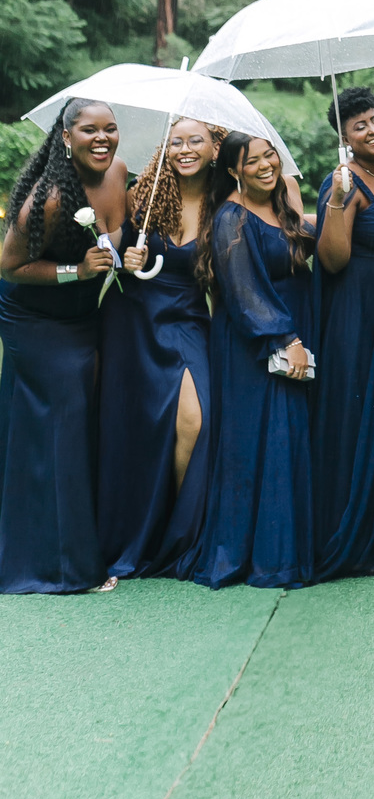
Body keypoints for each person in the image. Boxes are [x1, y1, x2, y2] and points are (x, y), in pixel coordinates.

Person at [0, 100, 127, 593]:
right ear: (66, 137)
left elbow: (117, 234)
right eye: (90, 130)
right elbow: (10, 266)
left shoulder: (118, 173)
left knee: (74, 418)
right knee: (67, 420)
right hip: (34, 317)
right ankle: (67, 567)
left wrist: (124, 251)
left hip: (83, 316)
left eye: (110, 129)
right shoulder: (50, 197)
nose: (103, 138)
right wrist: (79, 269)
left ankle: (43, 538)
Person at [97, 118, 223, 581]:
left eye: (195, 141)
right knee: (142, 429)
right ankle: (144, 535)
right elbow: (110, 251)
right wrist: (125, 260)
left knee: (195, 419)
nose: (184, 149)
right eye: (176, 142)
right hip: (133, 321)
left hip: (188, 320)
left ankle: (183, 536)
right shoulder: (143, 195)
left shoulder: (224, 200)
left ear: (215, 148)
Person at [193, 134, 316, 590]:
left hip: (288, 325)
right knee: (268, 437)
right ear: (233, 171)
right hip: (257, 342)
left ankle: (288, 550)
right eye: (252, 161)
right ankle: (268, 559)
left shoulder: (281, 203)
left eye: (270, 156)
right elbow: (243, 294)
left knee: (288, 435)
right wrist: (288, 339)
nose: (266, 165)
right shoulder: (232, 217)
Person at [311, 88, 374, 581]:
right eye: (359, 126)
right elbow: (332, 260)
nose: (372, 130)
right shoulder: (343, 183)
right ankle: (354, 537)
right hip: (359, 310)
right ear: (344, 138)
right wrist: (335, 200)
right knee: (360, 416)